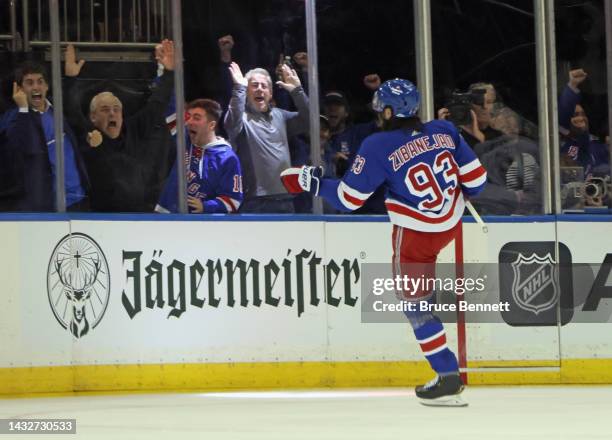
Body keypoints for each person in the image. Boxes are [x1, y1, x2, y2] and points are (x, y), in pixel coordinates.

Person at [281, 79, 487, 406]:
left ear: (389, 111)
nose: (378, 113)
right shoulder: (444, 129)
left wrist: (310, 181)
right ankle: (445, 368)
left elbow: (350, 198)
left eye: (381, 108)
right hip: (451, 225)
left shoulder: (378, 144)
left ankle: (447, 374)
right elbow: (477, 182)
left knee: (415, 305)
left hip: (415, 235)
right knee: (421, 297)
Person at [63, 40, 175, 212]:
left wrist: (168, 72)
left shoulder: (134, 129)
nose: (112, 113)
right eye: (105, 109)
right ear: (93, 117)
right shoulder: (88, 134)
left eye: (116, 109)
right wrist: (70, 78)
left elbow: (157, 105)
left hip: (137, 215)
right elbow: (71, 111)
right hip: (98, 218)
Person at [0, 62, 89, 211]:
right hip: (45, 207)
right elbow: (19, 148)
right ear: (19, 89)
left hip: (78, 199)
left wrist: (71, 78)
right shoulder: (13, 117)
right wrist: (23, 109)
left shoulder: (57, 110)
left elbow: (76, 124)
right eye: (29, 83)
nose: (36, 87)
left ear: (47, 86)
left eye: (40, 82)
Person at [223, 61, 309, 213]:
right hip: (253, 201)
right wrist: (239, 88)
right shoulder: (240, 118)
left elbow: (311, 120)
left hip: (285, 198)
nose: (259, 89)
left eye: (264, 86)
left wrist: (297, 91)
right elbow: (230, 123)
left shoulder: (281, 115)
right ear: (246, 91)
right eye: (254, 85)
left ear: (270, 93)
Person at [156, 98, 243, 214]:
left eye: (196, 118)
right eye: (188, 117)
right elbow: (170, 106)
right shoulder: (183, 139)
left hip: (201, 224)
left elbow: (233, 200)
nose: (189, 122)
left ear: (211, 125)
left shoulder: (227, 158)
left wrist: (205, 206)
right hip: (165, 216)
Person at [558, 68, 609, 178]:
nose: (581, 118)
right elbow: (564, 111)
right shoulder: (565, 147)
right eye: (575, 115)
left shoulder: (599, 145)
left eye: (582, 114)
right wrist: (572, 85)